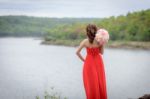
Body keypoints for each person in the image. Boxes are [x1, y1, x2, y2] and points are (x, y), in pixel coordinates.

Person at [76, 24, 107, 99]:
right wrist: (103, 44)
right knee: (99, 82)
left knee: (91, 84)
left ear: (87, 32)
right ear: (96, 31)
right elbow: (102, 53)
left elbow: (77, 52)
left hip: (88, 63)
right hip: (98, 63)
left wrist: (84, 60)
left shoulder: (85, 41)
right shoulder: (99, 41)